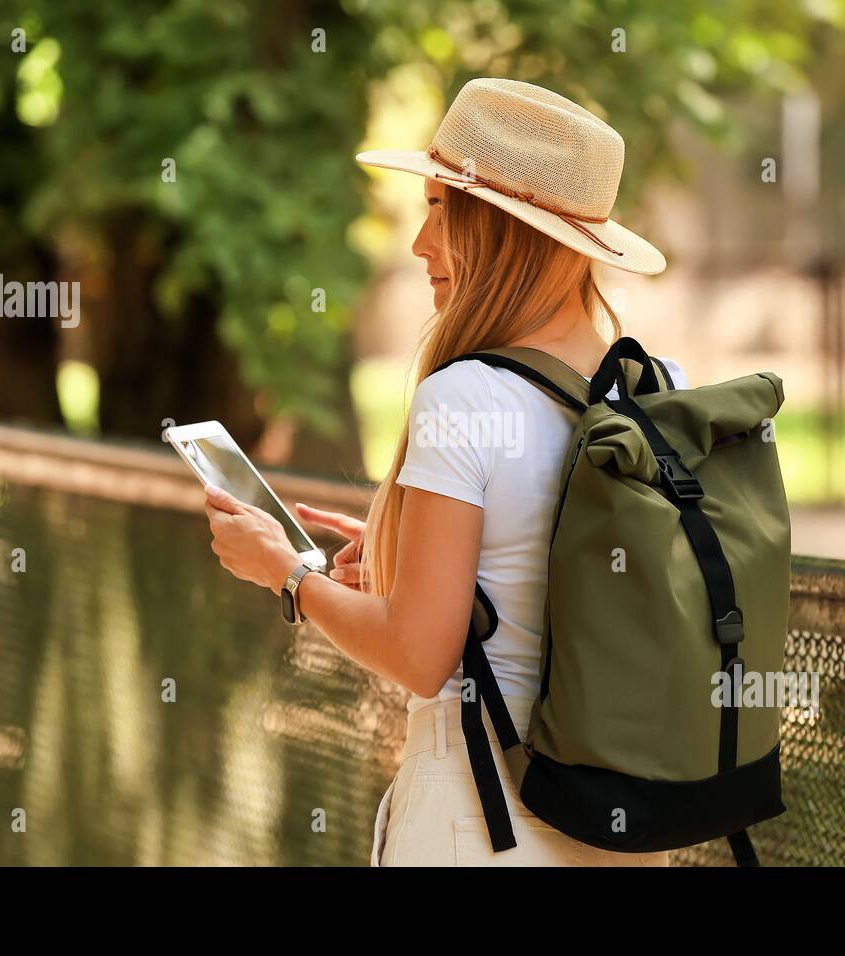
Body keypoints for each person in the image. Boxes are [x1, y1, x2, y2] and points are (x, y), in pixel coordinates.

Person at [204, 77, 682, 866]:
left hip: (482, 827)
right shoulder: (657, 384)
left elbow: (420, 655)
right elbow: (557, 572)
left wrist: (287, 575)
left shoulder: (462, 394)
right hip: (625, 834)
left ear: (498, 229)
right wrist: (413, 551)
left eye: (439, 209)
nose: (421, 244)